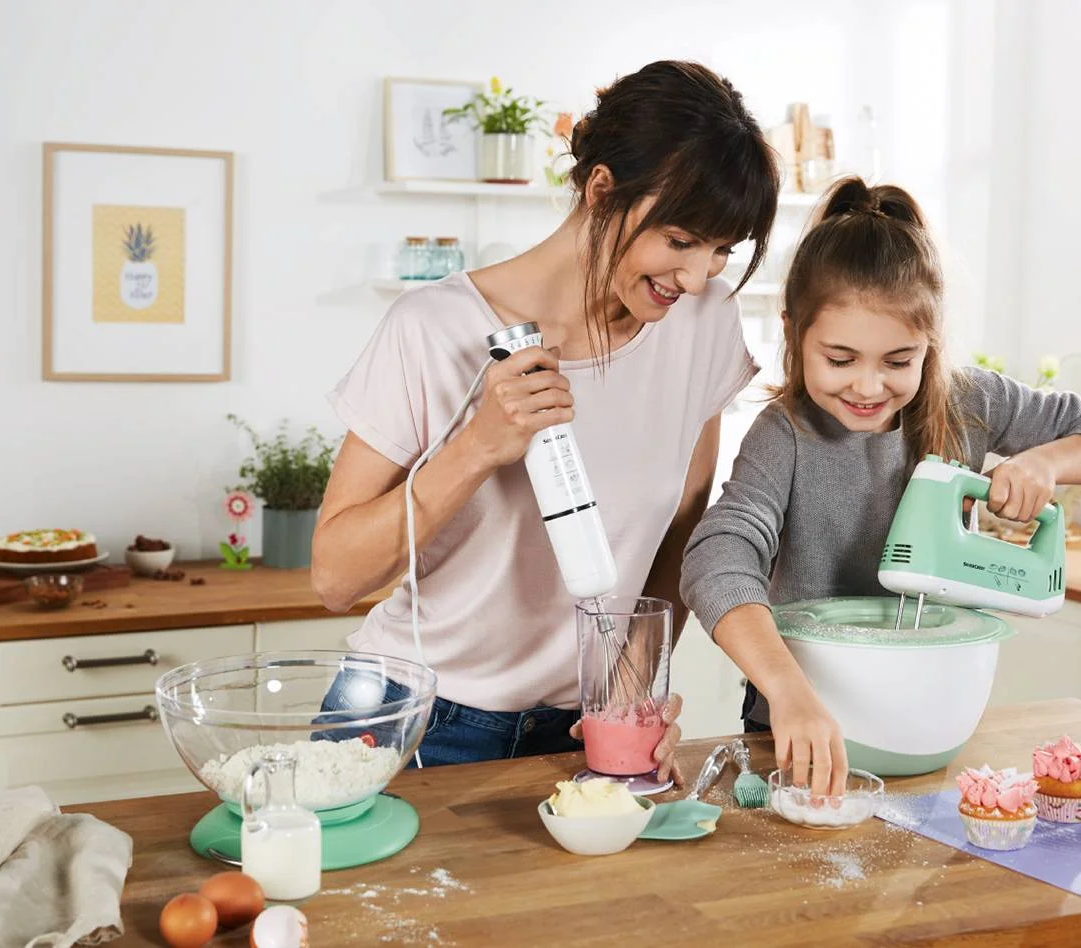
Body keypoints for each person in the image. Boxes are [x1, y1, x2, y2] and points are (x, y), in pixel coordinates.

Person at [310, 60, 779, 780]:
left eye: (722, 251)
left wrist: (637, 679)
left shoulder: (702, 324)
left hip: (584, 724)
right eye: (682, 241)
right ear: (600, 191)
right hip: (413, 718)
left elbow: (684, 518)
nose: (697, 277)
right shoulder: (434, 329)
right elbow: (336, 576)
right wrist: (476, 448)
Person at [679, 176, 1081, 799]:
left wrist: (1046, 464)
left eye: (898, 361)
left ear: (931, 339)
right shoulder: (785, 435)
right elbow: (718, 556)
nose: (869, 387)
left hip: (936, 720)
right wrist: (788, 690)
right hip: (800, 726)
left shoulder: (971, 403)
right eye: (841, 359)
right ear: (794, 332)